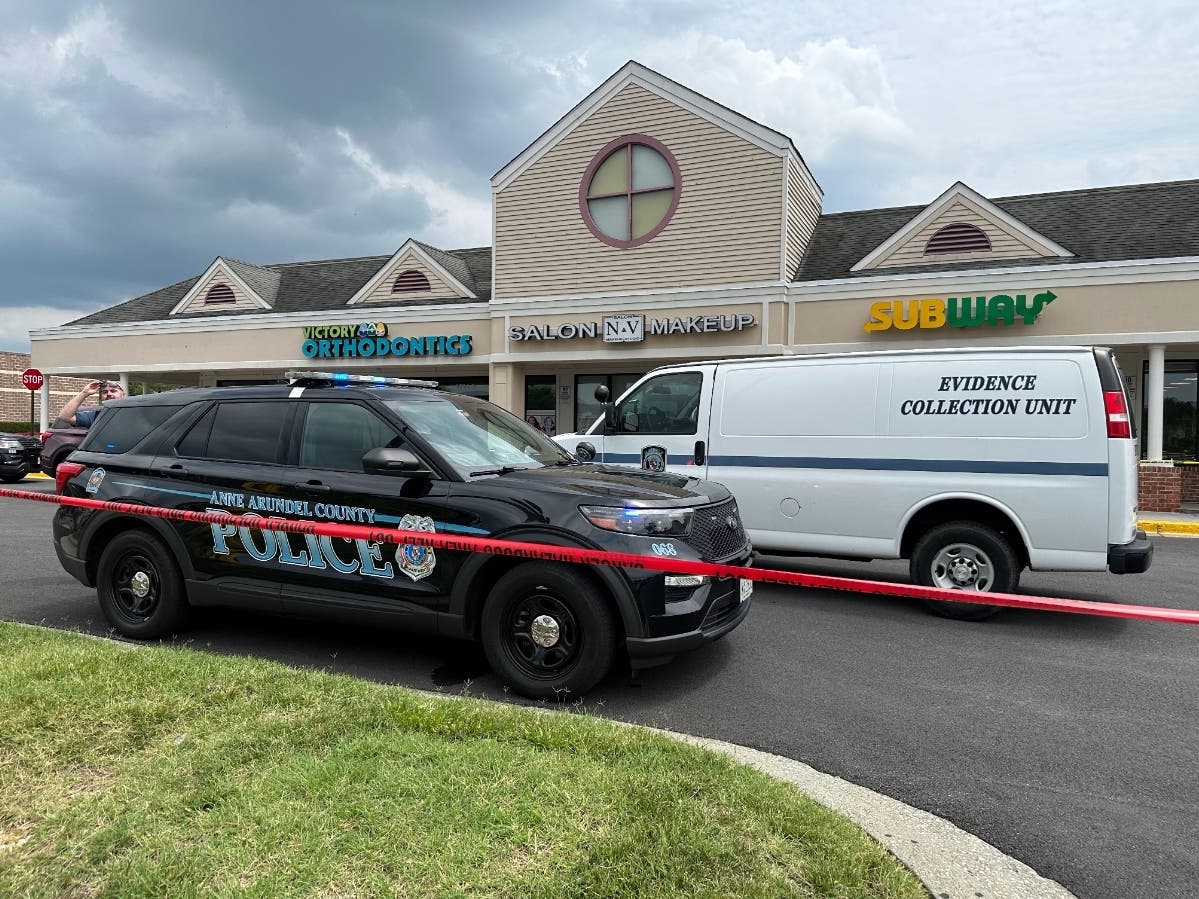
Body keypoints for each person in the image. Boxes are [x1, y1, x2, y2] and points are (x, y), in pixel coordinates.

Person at [58, 380, 127, 427]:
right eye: (105, 392)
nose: (108, 394)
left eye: (113, 391)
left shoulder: (134, 412)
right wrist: (84, 393)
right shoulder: (96, 416)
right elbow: (65, 416)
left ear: (123, 395)